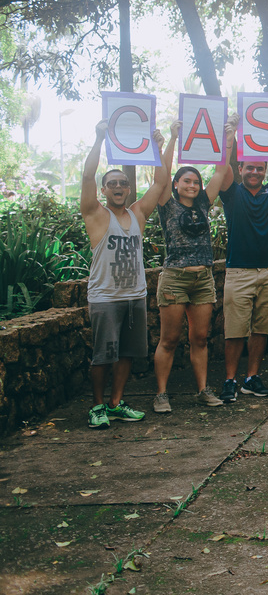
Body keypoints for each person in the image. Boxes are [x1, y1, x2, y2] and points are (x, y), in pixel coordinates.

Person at [80, 120, 169, 428]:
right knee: (103, 355)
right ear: (104, 190)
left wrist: (158, 147)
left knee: (127, 353)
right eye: (112, 184)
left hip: (135, 296)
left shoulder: (137, 214)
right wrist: (99, 137)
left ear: (129, 188)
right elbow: (87, 175)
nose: (118, 187)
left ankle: (116, 403)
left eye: (123, 184)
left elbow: (159, 184)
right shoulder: (95, 214)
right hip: (105, 297)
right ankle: (97, 406)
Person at [218, 113, 268, 403]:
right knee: (235, 330)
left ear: (265, 170)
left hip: (267, 271)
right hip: (238, 271)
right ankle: (230, 380)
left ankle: (251, 378)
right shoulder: (230, 193)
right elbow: (221, 166)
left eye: (259, 168)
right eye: (249, 167)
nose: (254, 172)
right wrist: (231, 136)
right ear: (239, 168)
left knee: (262, 328)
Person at [151, 120, 228, 414]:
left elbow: (221, 171)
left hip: (203, 279)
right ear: (177, 185)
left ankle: (202, 390)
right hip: (174, 279)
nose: (192, 185)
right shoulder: (167, 204)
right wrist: (170, 139)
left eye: (196, 181)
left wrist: (227, 139)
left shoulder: (204, 205)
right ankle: (161, 394)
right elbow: (163, 174)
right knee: (169, 339)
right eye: (187, 181)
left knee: (200, 338)